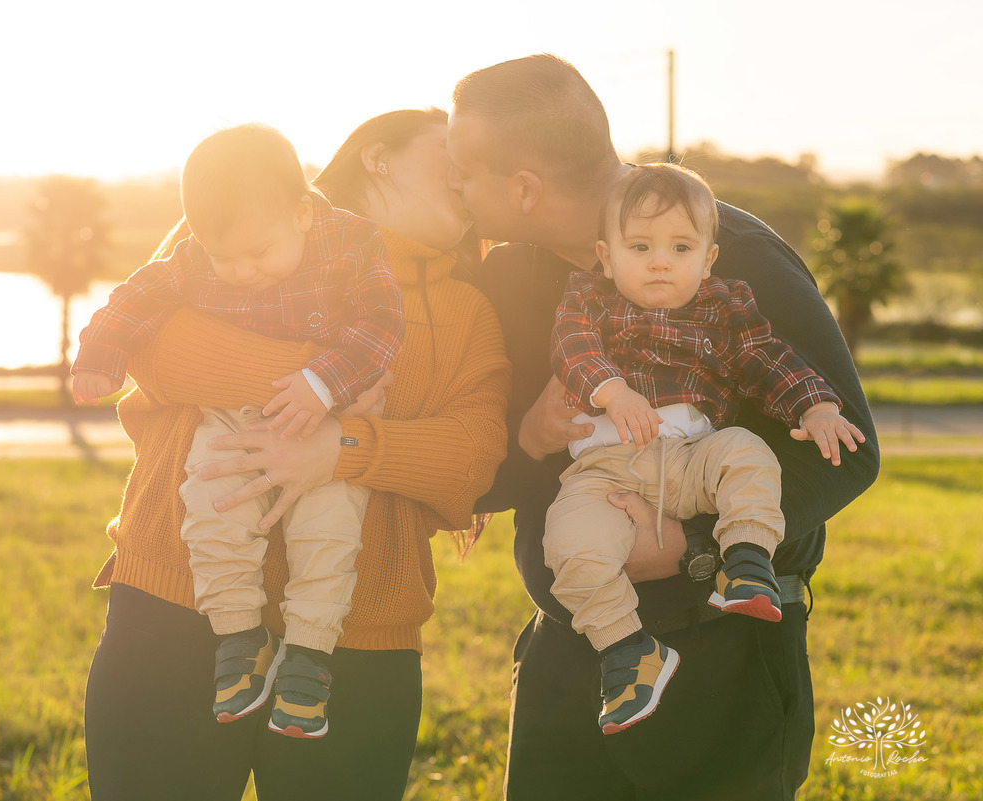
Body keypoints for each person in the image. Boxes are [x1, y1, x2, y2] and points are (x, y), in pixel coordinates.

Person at [448, 55, 880, 800]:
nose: (455, 190)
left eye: (465, 172)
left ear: (523, 188)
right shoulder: (508, 280)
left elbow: (847, 452)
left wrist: (694, 548)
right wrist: (531, 435)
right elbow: (482, 469)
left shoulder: (735, 253)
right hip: (568, 651)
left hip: (726, 654)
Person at [83, 108, 511, 801]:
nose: (470, 173)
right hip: (174, 604)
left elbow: (471, 460)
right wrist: (331, 377)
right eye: (451, 152)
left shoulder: (467, 311)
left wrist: (342, 447)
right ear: (378, 156)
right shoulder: (230, 232)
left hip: (358, 638)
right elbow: (161, 350)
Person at [72, 123, 406, 739]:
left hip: (330, 412)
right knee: (211, 501)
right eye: (223, 258)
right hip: (229, 413)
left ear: (303, 214)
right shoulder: (198, 257)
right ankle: (239, 635)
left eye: (257, 253)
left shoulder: (352, 244)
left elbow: (382, 327)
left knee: (327, 530)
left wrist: (322, 381)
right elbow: (138, 295)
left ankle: (309, 652)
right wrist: (101, 351)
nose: (241, 271)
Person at [545, 162, 865, 735]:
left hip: (693, 457)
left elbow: (766, 359)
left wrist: (816, 404)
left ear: (708, 258)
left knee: (745, 452)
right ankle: (627, 650)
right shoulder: (587, 300)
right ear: (606, 254)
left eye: (680, 246)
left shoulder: (724, 308)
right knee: (568, 542)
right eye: (639, 246)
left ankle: (745, 561)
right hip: (605, 471)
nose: (660, 260)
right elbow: (572, 347)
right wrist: (611, 390)